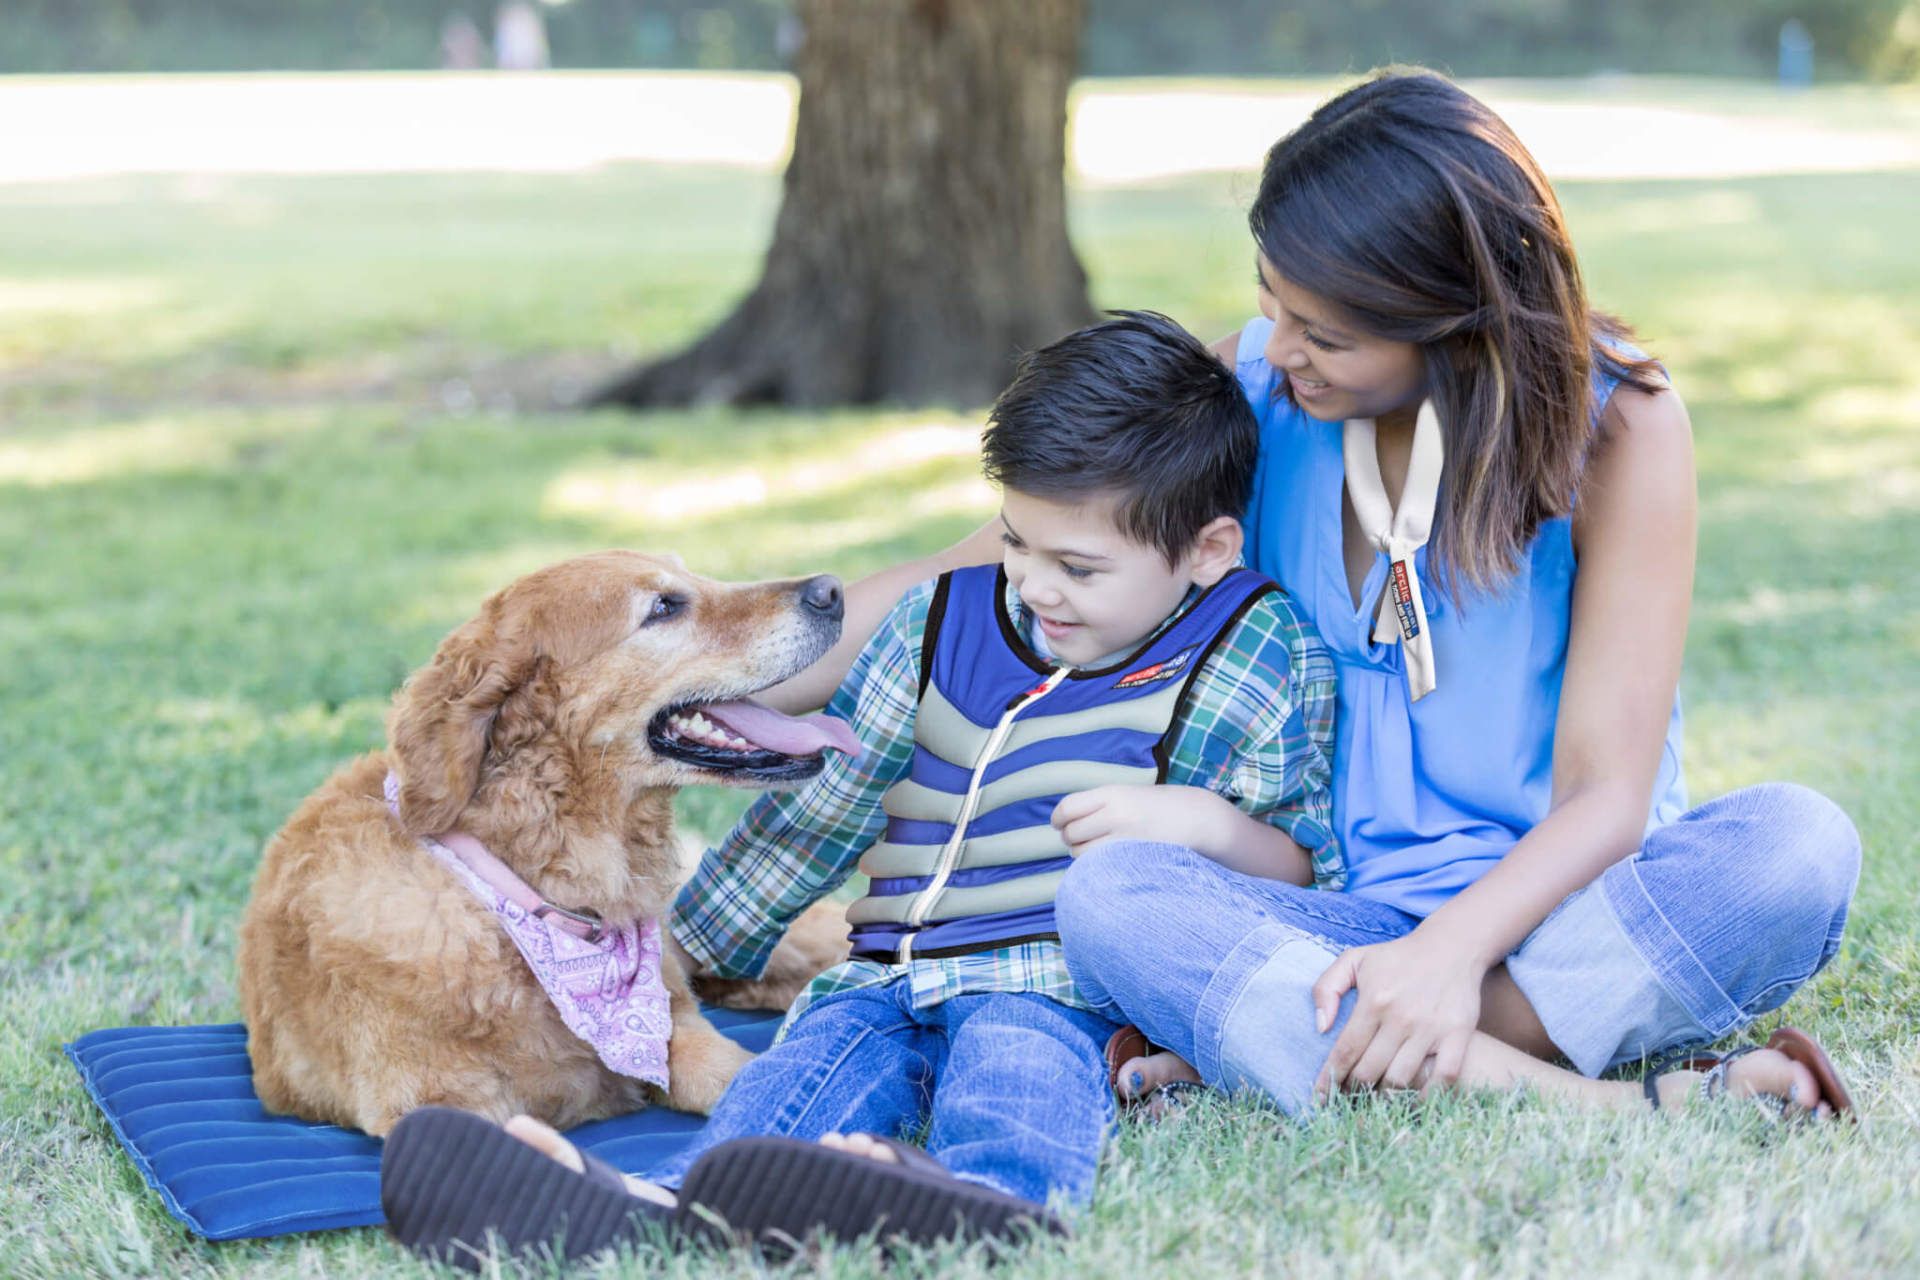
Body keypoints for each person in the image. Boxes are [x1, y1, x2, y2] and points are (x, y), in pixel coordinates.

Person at [382, 311, 1343, 1266]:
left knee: (1020, 1076)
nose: (1036, 587)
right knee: (800, 1074)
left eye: (1078, 567)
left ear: (1207, 551)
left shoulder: (1251, 652)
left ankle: (990, 1207)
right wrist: (681, 953)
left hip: (1053, 987)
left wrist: (1199, 824)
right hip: (887, 973)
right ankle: (664, 1204)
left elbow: (1295, 874)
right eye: (1016, 543)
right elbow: (818, 820)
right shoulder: (938, 622)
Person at [1049, 69, 1862, 1120]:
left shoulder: (1622, 427)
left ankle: (1320, 1040)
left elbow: (1605, 798)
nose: (1280, 347)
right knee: (1110, 895)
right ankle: (1603, 1106)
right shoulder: (1255, 389)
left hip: (1566, 919)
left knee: (1799, 848)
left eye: (1326, 334)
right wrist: (833, 627)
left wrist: (1448, 954)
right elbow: (1018, 544)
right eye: (1270, 299)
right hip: (1331, 922)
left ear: (1457, 325)